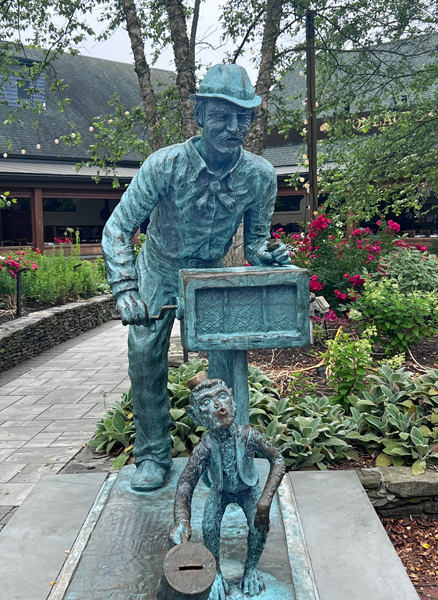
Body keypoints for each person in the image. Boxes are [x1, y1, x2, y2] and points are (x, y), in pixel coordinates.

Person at [102, 63, 290, 492]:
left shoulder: (259, 175)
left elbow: (258, 240)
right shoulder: (164, 165)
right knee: (146, 353)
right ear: (201, 114)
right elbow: (117, 229)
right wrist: (126, 288)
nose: (234, 126)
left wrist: (269, 255)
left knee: (227, 358)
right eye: (223, 114)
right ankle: (152, 456)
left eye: (243, 116)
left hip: (211, 273)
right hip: (159, 266)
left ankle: (230, 457)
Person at [169, 376, 285, 599]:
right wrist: (181, 520)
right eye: (207, 402)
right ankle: (216, 574)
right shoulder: (205, 448)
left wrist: (265, 498)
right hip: (220, 491)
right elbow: (185, 485)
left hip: (248, 489)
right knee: (209, 526)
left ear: (234, 402)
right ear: (195, 416)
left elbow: (278, 459)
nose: (219, 406)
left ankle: (250, 570)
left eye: (222, 397)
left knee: (259, 525)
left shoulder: (249, 436)